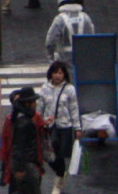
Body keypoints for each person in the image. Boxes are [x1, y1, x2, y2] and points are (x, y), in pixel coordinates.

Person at [35, 61, 79, 194]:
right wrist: (40, 123)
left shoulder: (69, 89)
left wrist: (78, 128)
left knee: (61, 155)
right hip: (50, 127)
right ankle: (61, 173)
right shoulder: (44, 89)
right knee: (49, 155)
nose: (58, 76)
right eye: (55, 73)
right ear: (51, 74)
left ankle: (58, 182)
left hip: (65, 126)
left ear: (64, 74)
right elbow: (39, 108)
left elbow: (74, 109)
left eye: (60, 73)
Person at [4, 87, 43, 194]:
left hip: (24, 165)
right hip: (26, 166)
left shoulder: (19, 118)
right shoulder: (25, 122)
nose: (35, 104)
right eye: (33, 101)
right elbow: (19, 146)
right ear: (27, 103)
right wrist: (20, 169)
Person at [44, 0, 95, 67]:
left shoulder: (60, 19)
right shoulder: (85, 17)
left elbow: (50, 41)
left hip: (65, 59)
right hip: (83, 58)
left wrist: (51, 57)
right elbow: (92, 37)